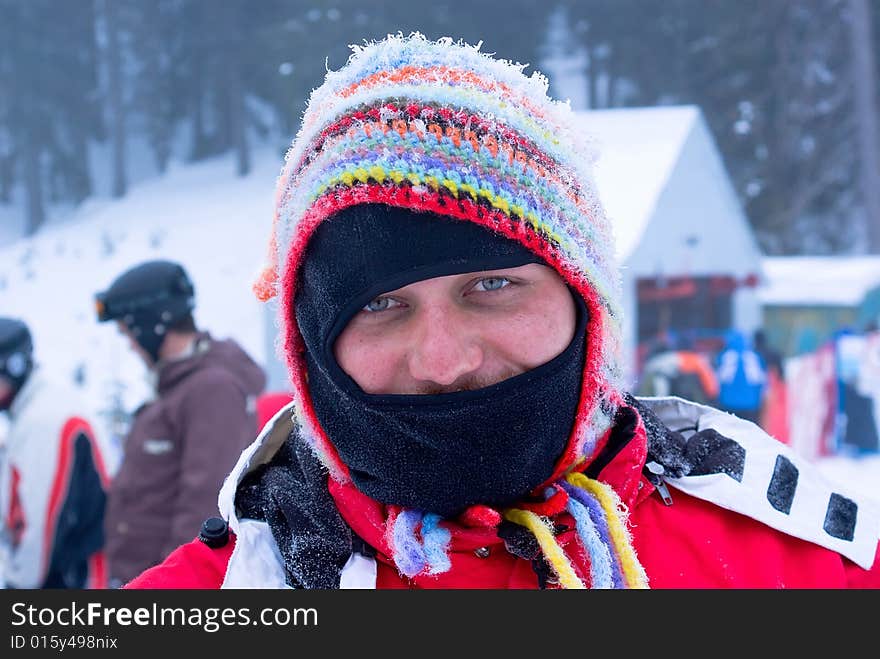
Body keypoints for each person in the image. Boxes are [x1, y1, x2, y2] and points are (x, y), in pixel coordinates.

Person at [127, 34, 880, 589]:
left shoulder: (798, 558)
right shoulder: (222, 586)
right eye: (381, 304)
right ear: (310, 349)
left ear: (584, 300)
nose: (445, 358)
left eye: (491, 286)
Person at [94, 259, 266, 588]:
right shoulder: (176, 385)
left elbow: (203, 507)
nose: (129, 345)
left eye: (127, 332)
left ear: (149, 324)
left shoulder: (210, 390)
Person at [0, 317, 109, 589]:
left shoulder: (42, 421)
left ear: (12, 368)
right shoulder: (35, 410)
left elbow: (38, 527)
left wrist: (15, 582)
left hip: (75, 582)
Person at [715, 329, 768, 424]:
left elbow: (718, 380)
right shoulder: (755, 357)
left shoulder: (724, 356)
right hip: (751, 404)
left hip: (728, 403)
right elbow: (762, 382)